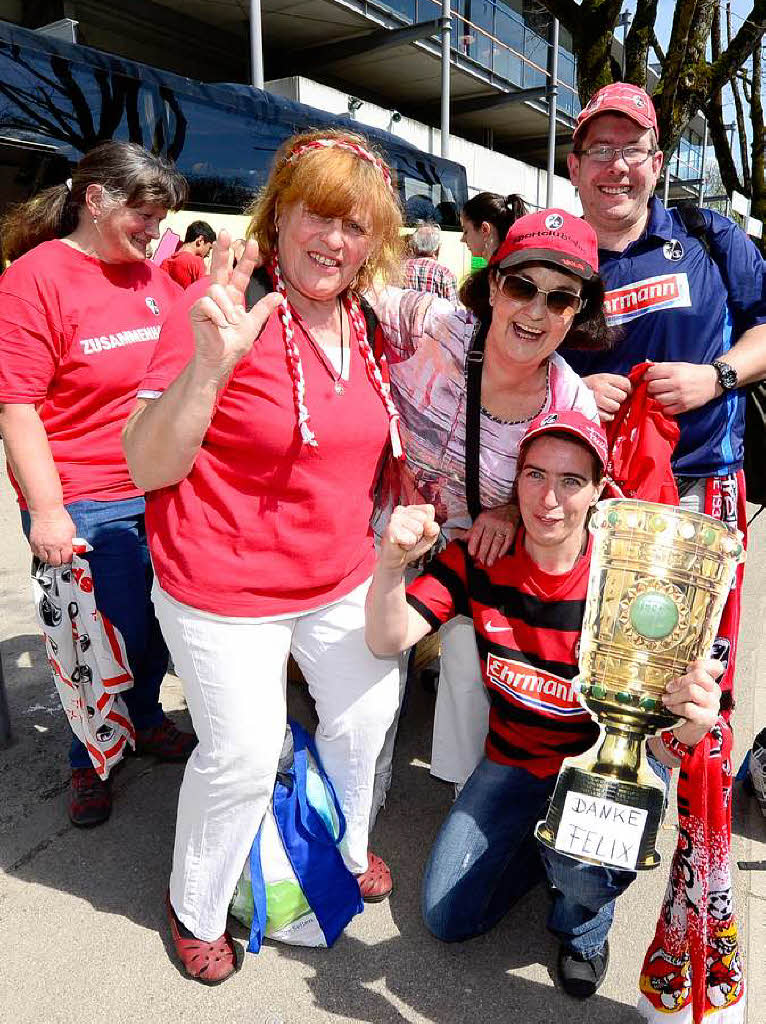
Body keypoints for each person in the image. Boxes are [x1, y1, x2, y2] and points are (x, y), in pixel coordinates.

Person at [122, 129, 405, 984]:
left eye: (356, 225)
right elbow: (146, 464)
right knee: (243, 751)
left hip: (334, 576)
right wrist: (208, 369)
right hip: (220, 583)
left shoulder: (369, 322)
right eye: (317, 214)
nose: (334, 240)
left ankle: (345, 844)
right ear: (277, 215)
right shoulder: (216, 307)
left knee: (364, 715)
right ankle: (195, 904)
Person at [365, 411, 724, 999]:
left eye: (571, 481)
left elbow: (660, 744)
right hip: (512, 761)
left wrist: (688, 724)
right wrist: (389, 565)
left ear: (599, 492)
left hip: (602, 769)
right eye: (535, 476)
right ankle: (547, 849)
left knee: (580, 874)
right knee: (446, 919)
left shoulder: (632, 587)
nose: (549, 498)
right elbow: (386, 639)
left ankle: (580, 920)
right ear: (516, 483)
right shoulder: (479, 558)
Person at [370, 209, 610, 804]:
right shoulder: (430, 324)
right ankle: (356, 822)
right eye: (523, 286)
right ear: (494, 282)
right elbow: (343, 292)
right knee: (368, 686)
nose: (535, 311)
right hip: (374, 526)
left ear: (577, 313)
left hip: (467, 549)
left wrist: (508, 511)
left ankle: (468, 802)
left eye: (560, 300)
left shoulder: (569, 395)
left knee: (466, 653)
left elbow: (568, 488)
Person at [0, 141, 196, 828]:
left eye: (161, 220)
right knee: (97, 637)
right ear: (95, 200)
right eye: (143, 216)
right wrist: (48, 512)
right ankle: (89, 759)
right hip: (84, 496)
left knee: (156, 629)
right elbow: (17, 404)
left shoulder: (155, 278)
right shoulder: (36, 277)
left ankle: (141, 717)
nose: (154, 231)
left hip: (162, 489)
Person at [563, 82, 766, 714]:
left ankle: (694, 792)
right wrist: (570, 389)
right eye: (599, 149)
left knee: (698, 659)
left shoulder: (710, 237)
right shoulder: (553, 254)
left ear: (657, 161)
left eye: (633, 148)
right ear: (574, 166)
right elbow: (505, 358)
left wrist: (719, 377)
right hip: (588, 493)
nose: (616, 165)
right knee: (593, 648)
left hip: (698, 486)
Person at [459, 191, 527, 261]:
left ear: (485, 229)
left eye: (466, 231)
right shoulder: (511, 264)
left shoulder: (500, 270)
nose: (462, 239)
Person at [403, 221, 459, 303]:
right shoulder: (445, 274)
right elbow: (454, 309)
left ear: (414, 247)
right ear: (437, 249)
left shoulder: (400, 269)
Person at [160, 219, 216, 288]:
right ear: (200, 240)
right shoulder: (196, 262)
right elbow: (203, 290)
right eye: (209, 248)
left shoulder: (165, 263)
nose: (207, 254)